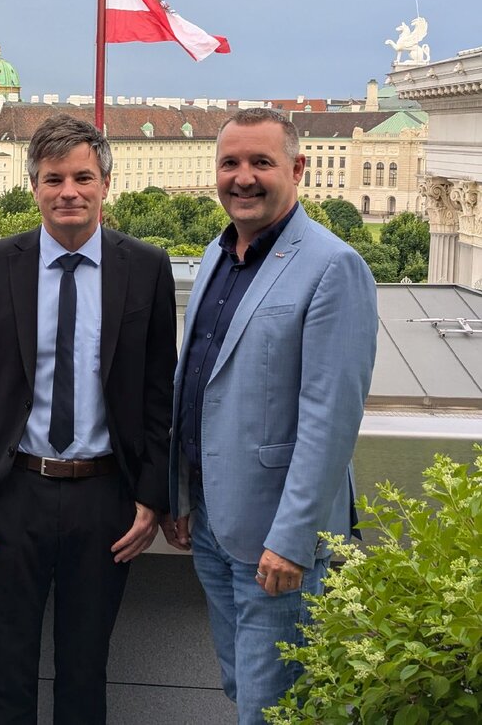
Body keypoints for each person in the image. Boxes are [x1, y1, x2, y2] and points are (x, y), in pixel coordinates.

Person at [0, 112, 176, 723]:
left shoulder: (146, 267)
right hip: (11, 493)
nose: (68, 191)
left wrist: (151, 498)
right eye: (52, 179)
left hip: (107, 500)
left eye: (82, 177)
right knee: (5, 670)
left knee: (84, 671)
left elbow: (157, 396)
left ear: (105, 184)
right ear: (33, 187)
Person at [162, 108, 378, 723]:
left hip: (277, 540)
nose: (243, 177)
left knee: (274, 707)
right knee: (243, 689)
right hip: (210, 521)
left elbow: (330, 421)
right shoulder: (216, 255)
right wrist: (180, 495)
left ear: (297, 169)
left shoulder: (334, 266)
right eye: (230, 163)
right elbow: (196, 384)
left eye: (261, 162)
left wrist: (294, 541)